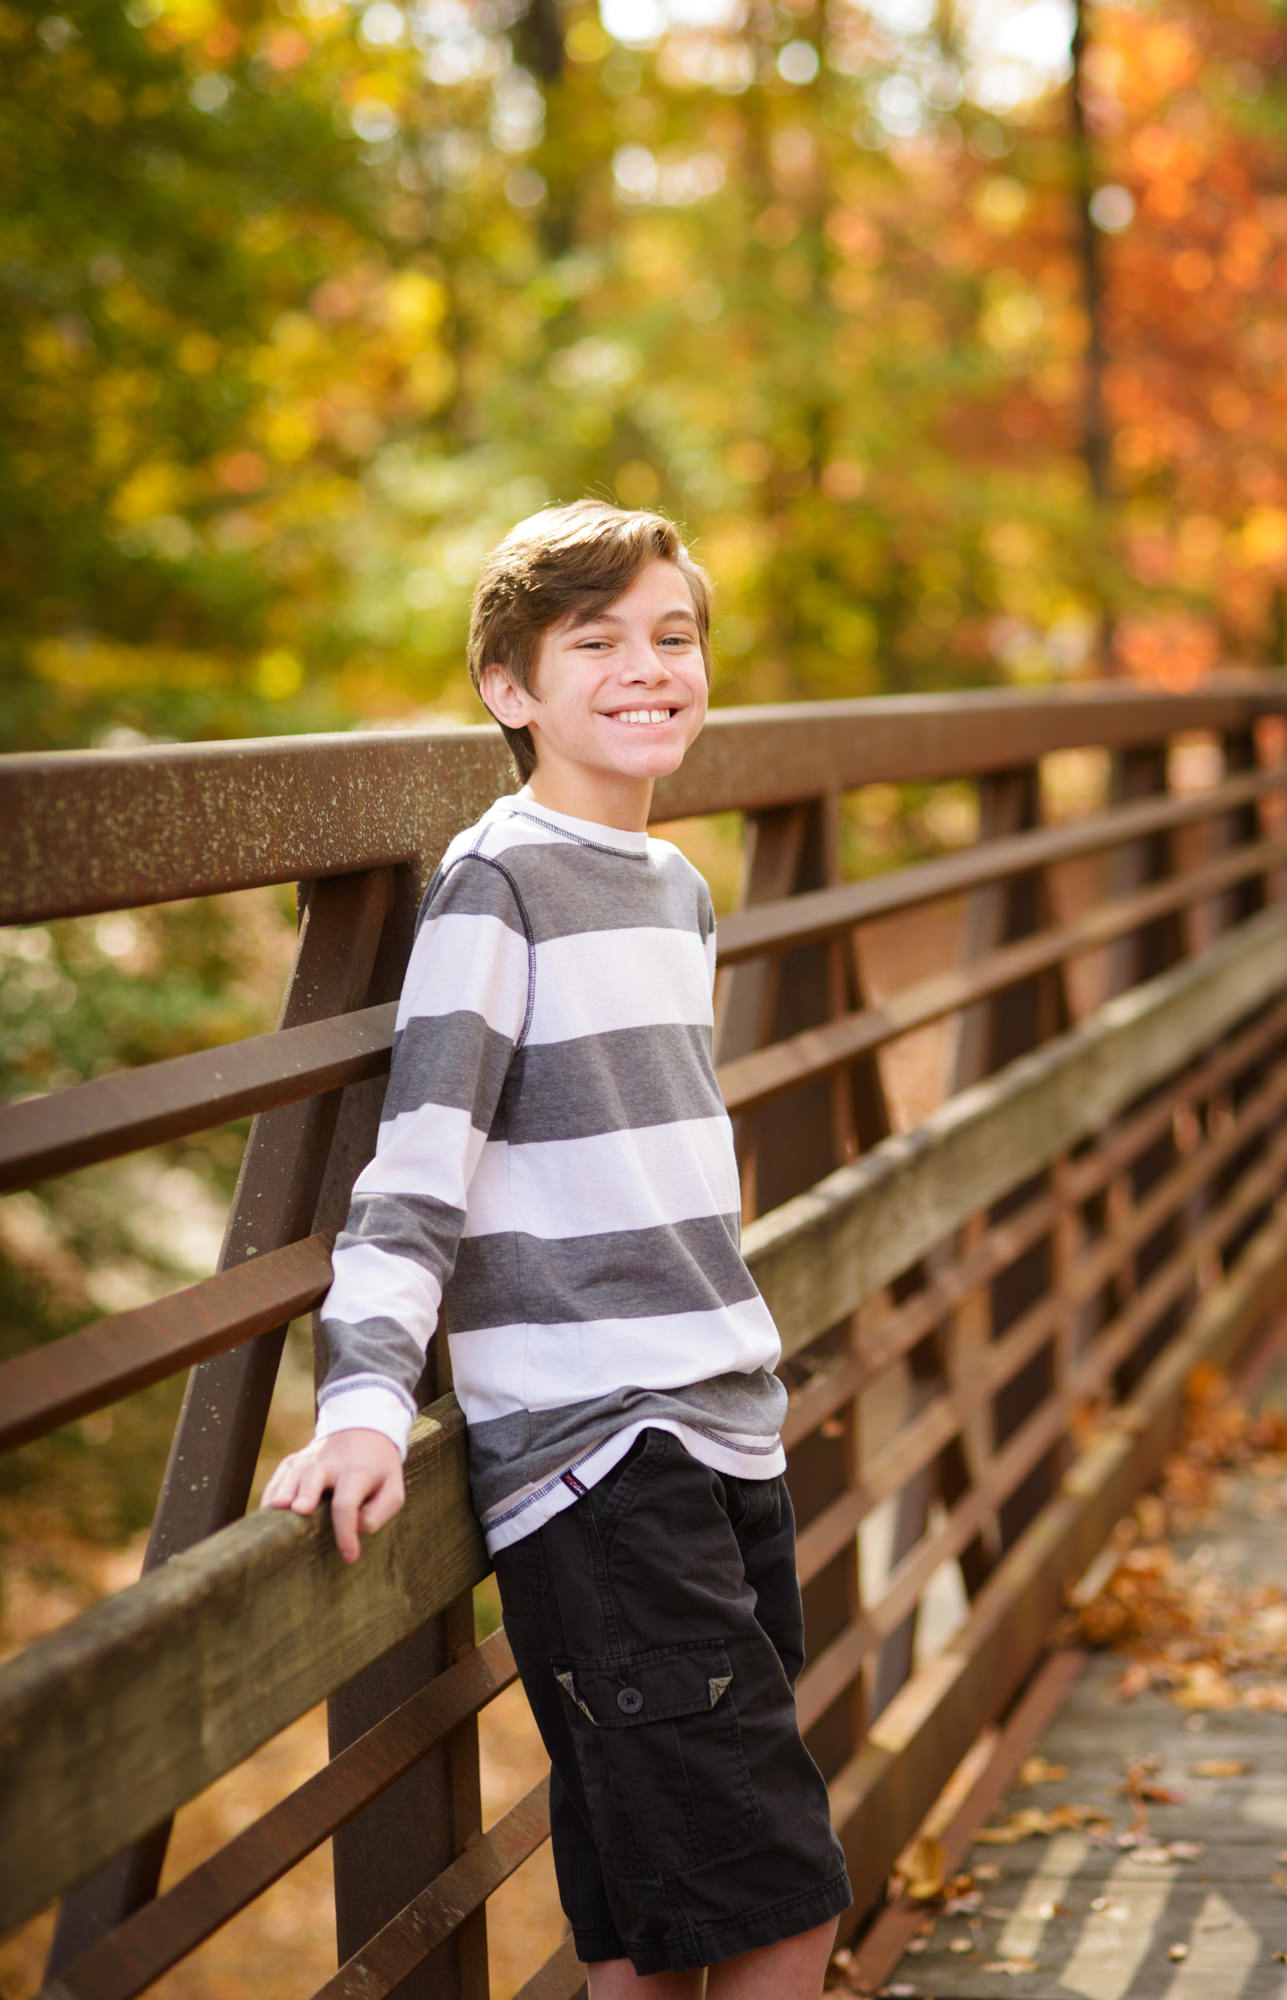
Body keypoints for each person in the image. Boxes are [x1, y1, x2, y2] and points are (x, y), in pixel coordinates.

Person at [263, 499, 852, 1995]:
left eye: (674, 636)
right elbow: (417, 1172)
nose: (649, 667)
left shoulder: (672, 886)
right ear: (510, 690)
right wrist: (362, 1402)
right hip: (609, 1455)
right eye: (596, 643)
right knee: (786, 1904)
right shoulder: (498, 883)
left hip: (727, 1424)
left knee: (651, 1936)